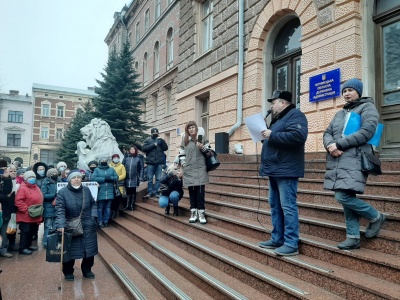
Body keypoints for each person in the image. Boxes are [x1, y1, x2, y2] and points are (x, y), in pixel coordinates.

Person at [323, 78, 386, 250]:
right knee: (347, 196)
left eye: (350, 90)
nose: (346, 93)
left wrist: (340, 144)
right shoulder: (340, 113)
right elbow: (327, 132)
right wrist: (330, 145)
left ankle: (375, 216)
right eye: (344, 91)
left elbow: (367, 131)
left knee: (342, 196)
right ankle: (353, 236)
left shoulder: (367, 108)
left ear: (359, 91)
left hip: (355, 159)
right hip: (338, 159)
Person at [258, 90, 308, 256]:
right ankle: (277, 238)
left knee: (288, 206)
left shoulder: (295, 115)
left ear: (283, 103)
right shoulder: (278, 119)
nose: (271, 106)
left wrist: (272, 134)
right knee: (275, 205)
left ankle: (291, 243)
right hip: (274, 169)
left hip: (286, 170)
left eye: (273, 103)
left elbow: (298, 136)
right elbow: (276, 138)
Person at [55, 171, 98, 281]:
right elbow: (60, 210)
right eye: (73, 177)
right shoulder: (62, 192)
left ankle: (87, 270)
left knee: (89, 250)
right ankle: (68, 272)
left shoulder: (86, 190)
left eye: (78, 177)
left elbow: (93, 204)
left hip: (88, 224)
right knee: (70, 251)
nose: (76, 179)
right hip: (71, 225)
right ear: (69, 179)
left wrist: (93, 216)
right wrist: (61, 224)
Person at [179, 122, 210, 224]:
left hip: (201, 168)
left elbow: (209, 153)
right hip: (189, 169)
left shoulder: (202, 138)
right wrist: (183, 164)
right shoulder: (185, 140)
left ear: (196, 129)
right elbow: (181, 153)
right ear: (187, 130)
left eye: (193, 127)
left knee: (200, 192)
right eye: (189, 128)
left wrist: (202, 147)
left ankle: (201, 213)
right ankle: (193, 212)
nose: (191, 129)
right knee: (192, 191)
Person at [14, 170, 44, 255]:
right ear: (26, 179)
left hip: (35, 214)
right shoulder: (23, 188)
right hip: (26, 215)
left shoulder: (36, 187)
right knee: (25, 231)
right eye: (30, 177)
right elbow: (18, 201)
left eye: (33, 177)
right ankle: (22, 248)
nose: (32, 179)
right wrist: (26, 210)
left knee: (32, 231)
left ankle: (28, 245)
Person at [142, 128, 168, 197]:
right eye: (154, 134)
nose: (155, 135)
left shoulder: (161, 140)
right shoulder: (147, 140)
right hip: (150, 162)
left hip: (159, 162)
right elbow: (144, 148)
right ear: (151, 134)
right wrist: (153, 145)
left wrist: (162, 140)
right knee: (150, 179)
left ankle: (156, 192)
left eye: (156, 133)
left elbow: (165, 148)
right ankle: (150, 192)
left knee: (158, 179)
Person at [92, 159, 118, 227]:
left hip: (110, 191)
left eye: (105, 160)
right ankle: (100, 221)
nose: (104, 161)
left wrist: (111, 178)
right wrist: (104, 179)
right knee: (100, 207)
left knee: (108, 207)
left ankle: (106, 221)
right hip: (100, 190)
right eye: (102, 160)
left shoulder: (111, 169)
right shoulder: (97, 169)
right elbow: (93, 178)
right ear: (100, 162)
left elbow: (116, 177)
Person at [40, 168, 58, 248]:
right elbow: (43, 195)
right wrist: (54, 194)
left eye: (56, 173)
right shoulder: (45, 183)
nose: (55, 175)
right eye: (53, 174)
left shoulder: (59, 182)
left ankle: (54, 242)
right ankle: (46, 242)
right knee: (48, 225)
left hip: (57, 207)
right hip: (48, 207)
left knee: (55, 226)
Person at [122, 146, 143, 210]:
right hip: (127, 178)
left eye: (133, 149)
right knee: (128, 191)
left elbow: (141, 168)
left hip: (134, 177)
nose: (132, 150)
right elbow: (122, 166)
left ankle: (131, 205)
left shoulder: (138, 158)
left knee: (133, 191)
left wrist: (141, 177)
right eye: (130, 149)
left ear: (135, 150)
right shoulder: (127, 158)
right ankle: (127, 205)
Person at [0, 161, 13, 257]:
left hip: (5, 209)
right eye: (1, 168)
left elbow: (9, 191)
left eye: (5, 168)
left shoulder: (6, 178)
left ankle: (3, 249)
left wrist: (7, 178)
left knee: (4, 229)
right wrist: (5, 197)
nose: (3, 170)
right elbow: (6, 195)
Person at [110, 154, 126, 218]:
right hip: (111, 185)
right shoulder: (109, 166)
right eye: (114, 157)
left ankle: (114, 211)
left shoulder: (122, 166)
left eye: (117, 157)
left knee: (118, 197)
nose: (116, 158)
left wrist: (117, 178)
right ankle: (111, 211)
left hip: (119, 185)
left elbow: (124, 174)